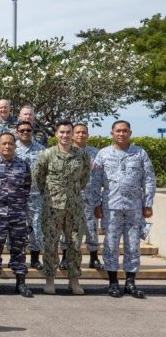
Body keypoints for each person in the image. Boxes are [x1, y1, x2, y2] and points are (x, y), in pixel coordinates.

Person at [90, 120, 155, 298]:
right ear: (112, 133)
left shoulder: (140, 153)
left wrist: (148, 204)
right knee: (110, 245)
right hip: (111, 207)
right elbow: (95, 182)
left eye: (125, 131)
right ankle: (112, 283)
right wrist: (96, 204)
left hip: (134, 208)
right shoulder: (103, 154)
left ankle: (130, 282)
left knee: (133, 245)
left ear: (130, 133)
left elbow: (149, 179)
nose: (121, 134)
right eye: (118, 131)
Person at [34, 121, 91, 295]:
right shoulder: (46, 155)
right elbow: (38, 177)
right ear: (56, 135)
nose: (65, 136)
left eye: (68, 132)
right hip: (52, 206)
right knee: (51, 243)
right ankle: (50, 278)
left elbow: (84, 178)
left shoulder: (82, 156)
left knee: (74, 244)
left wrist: (71, 192)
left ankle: (74, 280)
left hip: (74, 206)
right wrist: (53, 193)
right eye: (62, 132)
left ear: (73, 134)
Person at [0, 132, 33, 297]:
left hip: (17, 214)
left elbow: (27, 187)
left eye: (10, 143)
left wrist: (18, 204)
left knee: (19, 249)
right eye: (4, 143)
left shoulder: (23, 165)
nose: (7, 146)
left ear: (15, 146)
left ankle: (21, 284)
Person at [68, 123, 103, 269]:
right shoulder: (66, 152)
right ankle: (65, 258)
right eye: (77, 132)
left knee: (91, 229)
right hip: (70, 197)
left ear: (88, 135)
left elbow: (102, 176)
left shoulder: (96, 153)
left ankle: (94, 258)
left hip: (91, 198)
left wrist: (100, 201)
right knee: (68, 229)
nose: (80, 135)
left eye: (83, 132)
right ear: (72, 135)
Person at [15, 121, 46, 270]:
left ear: (32, 131)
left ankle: (35, 258)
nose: (25, 133)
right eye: (22, 130)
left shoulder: (41, 150)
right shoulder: (11, 148)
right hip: (16, 196)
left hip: (36, 195)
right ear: (17, 132)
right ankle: (16, 257)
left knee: (36, 227)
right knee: (16, 228)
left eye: (28, 130)